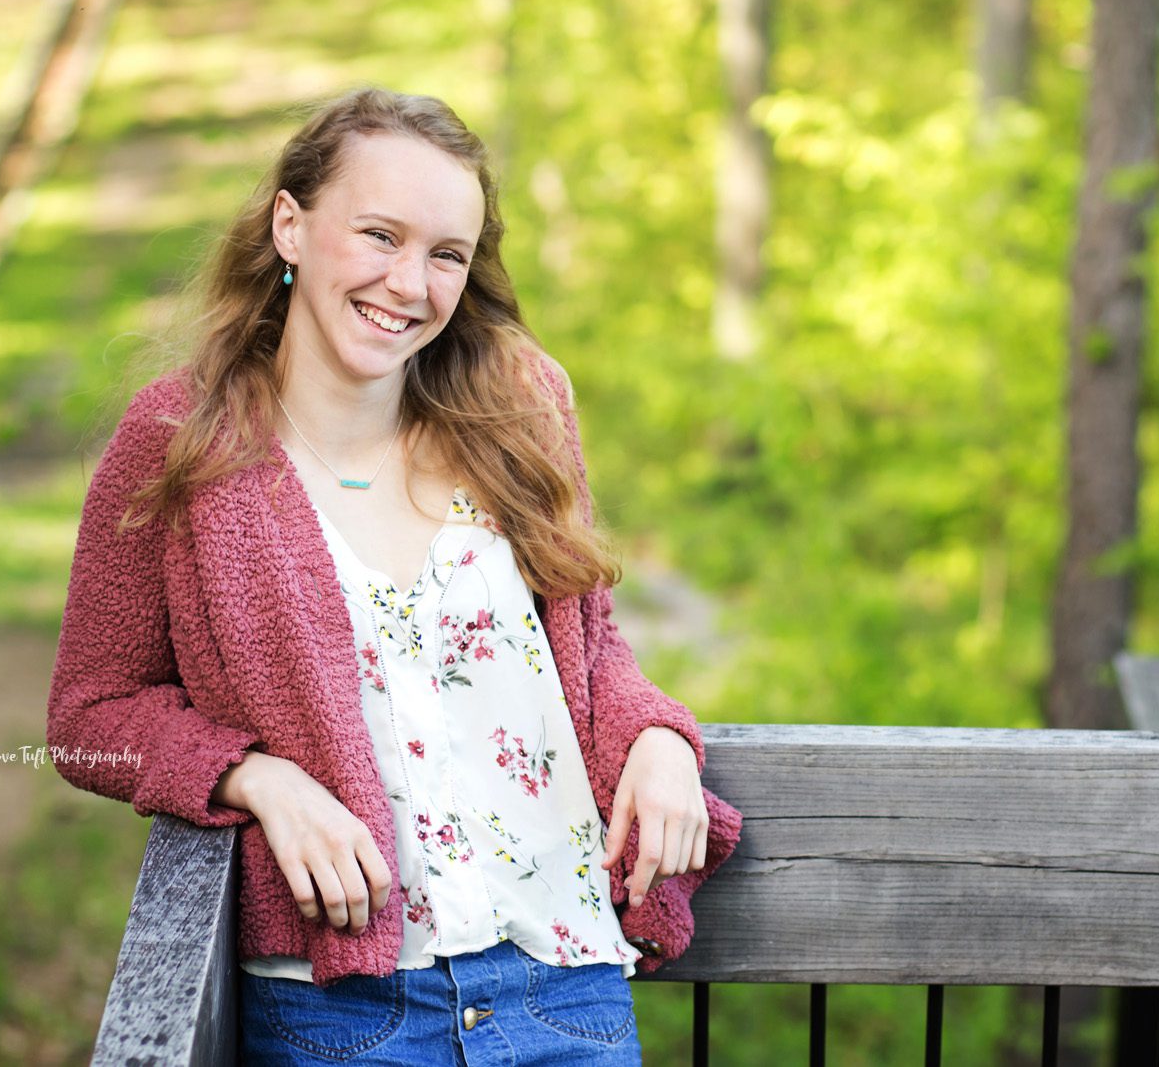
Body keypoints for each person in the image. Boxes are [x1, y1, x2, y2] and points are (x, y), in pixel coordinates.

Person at [45, 86, 743, 1065]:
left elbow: (589, 646)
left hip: (566, 988)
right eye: (379, 235)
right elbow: (89, 718)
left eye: (445, 254)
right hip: (347, 1014)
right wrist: (252, 775)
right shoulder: (183, 443)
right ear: (290, 224)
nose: (408, 283)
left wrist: (660, 739)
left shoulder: (522, 405)